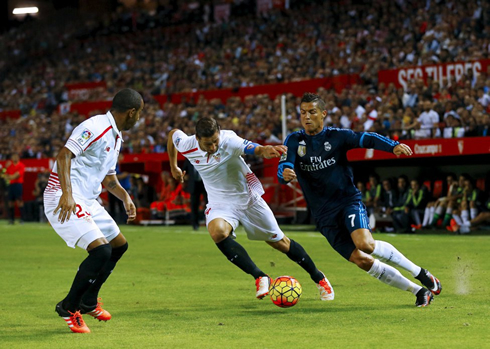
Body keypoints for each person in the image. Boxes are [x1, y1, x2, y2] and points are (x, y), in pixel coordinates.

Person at [277, 92, 442, 307]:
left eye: (312, 112)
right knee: (360, 260)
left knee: (366, 244)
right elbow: (283, 166)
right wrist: (285, 173)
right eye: (302, 113)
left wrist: (393, 146)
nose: (306, 117)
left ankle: (421, 273)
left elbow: (368, 138)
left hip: (347, 202)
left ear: (323, 114)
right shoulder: (294, 140)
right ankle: (418, 291)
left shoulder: (338, 137)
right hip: (323, 215)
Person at [167, 117, 334, 301]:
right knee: (217, 233)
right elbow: (173, 134)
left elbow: (254, 148)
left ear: (219, 133)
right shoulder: (186, 144)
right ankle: (260, 276)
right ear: (197, 138)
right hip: (220, 203)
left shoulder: (229, 140)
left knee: (281, 243)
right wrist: (173, 166)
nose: (213, 147)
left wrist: (265, 150)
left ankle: (319, 278)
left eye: (215, 141)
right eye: (208, 144)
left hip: (249, 199)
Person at [43, 88, 143, 333]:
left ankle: (88, 301)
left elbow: (108, 179)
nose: (139, 118)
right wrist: (67, 194)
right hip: (63, 195)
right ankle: (69, 307)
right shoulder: (96, 126)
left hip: (86, 199)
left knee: (119, 246)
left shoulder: (116, 136)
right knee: (101, 251)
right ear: (131, 112)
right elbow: (64, 156)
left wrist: (125, 196)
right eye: (139, 113)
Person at [183, 158, 207, 230]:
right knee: (194, 205)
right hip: (194, 184)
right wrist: (185, 177)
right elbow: (184, 170)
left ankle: (210, 222)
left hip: (205, 184)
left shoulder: (205, 157)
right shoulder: (189, 158)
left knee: (209, 204)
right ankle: (195, 224)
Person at [4, 153, 26, 224]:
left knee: (19, 202)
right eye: (13, 156)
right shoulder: (10, 166)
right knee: (11, 202)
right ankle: (11, 219)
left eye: (16, 156)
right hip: (11, 185)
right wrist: (8, 174)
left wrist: (9, 177)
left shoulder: (21, 165)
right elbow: (4, 175)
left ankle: (22, 219)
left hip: (18, 185)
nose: (15, 158)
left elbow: (15, 176)